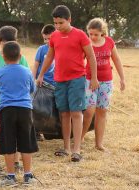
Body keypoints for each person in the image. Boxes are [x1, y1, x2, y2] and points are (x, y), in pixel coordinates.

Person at [36, 5, 99, 162]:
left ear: (69, 20)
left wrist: (94, 78)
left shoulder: (80, 35)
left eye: (61, 23)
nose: (57, 26)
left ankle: (77, 150)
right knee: (64, 114)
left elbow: (91, 57)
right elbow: (49, 57)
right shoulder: (55, 37)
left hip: (77, 79)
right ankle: (66, 148)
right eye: (55, 23)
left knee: (76, 113)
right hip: (59, 80)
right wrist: (41, 74)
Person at [0, 41, 38, 187]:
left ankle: (10, 177)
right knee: (26, 141)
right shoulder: (27, 71)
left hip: (7, 111)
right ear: (20, 56)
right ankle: (28, 175)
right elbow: (32, 88)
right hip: (25, 110)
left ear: (3, 57)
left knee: (8, 141)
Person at [0, 26, 28, 175]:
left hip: (16, 104)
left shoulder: (21, 58)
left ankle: (15, 162)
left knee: (15, 133)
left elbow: (26, 80)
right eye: (5, 43)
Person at [81, 18, 125, 151]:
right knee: (89, 111)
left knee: (102, 111)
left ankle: (99, 144)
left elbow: (116, 59)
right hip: (89, 80)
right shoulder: (86, 43)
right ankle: (79, 138)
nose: (93, 37)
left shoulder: (110, 42)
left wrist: (122, 78)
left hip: (106, 81)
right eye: (90, 34)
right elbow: (80, 61)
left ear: (102, 33)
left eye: (96, 34)